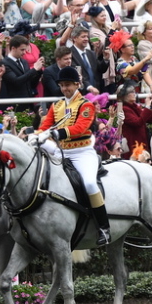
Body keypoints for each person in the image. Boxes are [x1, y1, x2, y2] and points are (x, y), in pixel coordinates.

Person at [32, 66, 111, 246]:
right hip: (61, 151)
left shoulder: (86, 105)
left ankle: (104, 228)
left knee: (90, 183)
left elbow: (81, 127)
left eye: (68, 85)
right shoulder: (57, 105)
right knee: (37, 143)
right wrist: (37, 134)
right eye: (62, 85)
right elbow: (46, 126)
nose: (65, 89)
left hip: (82, 152)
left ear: (77, 84)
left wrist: (57, 134)